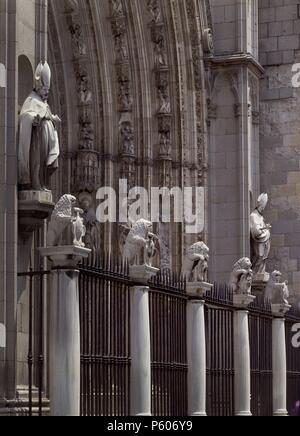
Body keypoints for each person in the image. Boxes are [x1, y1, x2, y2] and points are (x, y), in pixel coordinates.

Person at [18, 61, 60, 191]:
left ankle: (42, 184)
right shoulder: (31, 100)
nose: (46, 92)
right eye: (44, 89)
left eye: (48, 90)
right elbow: (25, 116)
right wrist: (33, 119)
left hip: (45, 140)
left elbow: (46, 114)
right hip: (36, 140)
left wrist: (53, 119)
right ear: (38, 87)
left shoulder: (43, 102)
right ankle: (35, 183)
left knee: (43, 164)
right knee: (36, 163)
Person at [250, 193, 271, 277]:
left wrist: (265, 228)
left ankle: (260, 271)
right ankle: (253, 272)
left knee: (263, 257)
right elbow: (256, 231)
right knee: (259, 255)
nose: (263, 208)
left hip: (265, 240)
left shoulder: (261, 217)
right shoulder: (253, 215)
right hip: (259, 240)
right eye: (263, 206)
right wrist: (265, 227)